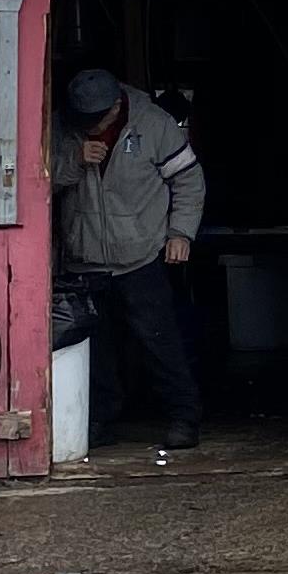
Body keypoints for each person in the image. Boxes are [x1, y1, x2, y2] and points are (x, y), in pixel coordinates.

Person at [50, 66, 207, 449]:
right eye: (81, 120)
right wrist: (74, 158)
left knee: (159, 341)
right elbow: (34, 178)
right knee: (94, 349)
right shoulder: (59, 126)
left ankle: (184, 416)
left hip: (140, 255)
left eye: (95, 120)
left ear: (116, 106)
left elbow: (189, 180)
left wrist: (180, 233)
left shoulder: (154, 123)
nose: (88, 126)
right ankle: (99, 420)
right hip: (82, 256)